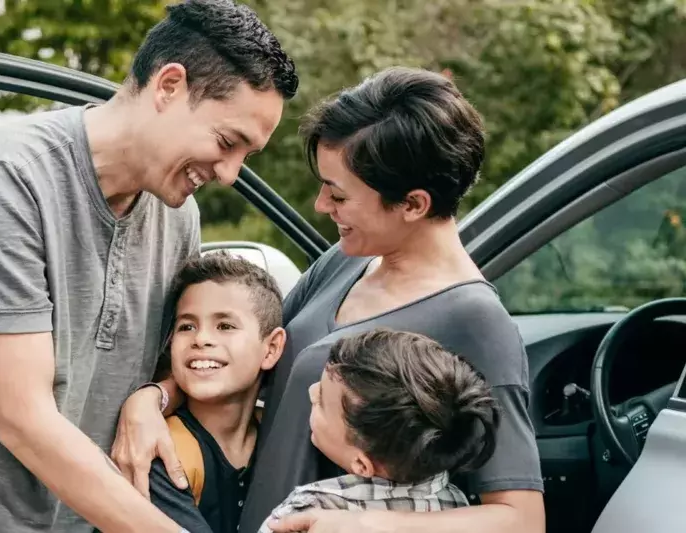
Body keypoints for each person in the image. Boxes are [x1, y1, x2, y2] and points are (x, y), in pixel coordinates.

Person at [0, 1, 297, 532]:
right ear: (168, 87)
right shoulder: (4, 181)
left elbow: (168, 367)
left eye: (247, 154)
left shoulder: (177, 218)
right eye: (226, 142)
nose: (229, 173)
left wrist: (154, 397)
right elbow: (24, 420)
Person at [113, 66, 545, 533]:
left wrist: (364, 525)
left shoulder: (476, 321)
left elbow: (519, 519)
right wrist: (154, 399)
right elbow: (255, 356)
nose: (321, 205)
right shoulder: (345, 260)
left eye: (338, 194)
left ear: (414, 204)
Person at [259, 328, 501, 533]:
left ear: (362, 465)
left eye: (321, 401)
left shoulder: (309, 510)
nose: (312, 392)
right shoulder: (456, 503)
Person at [147, 252, 286, 533]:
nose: (201, 339)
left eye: (225, 326)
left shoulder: (281, 441)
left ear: (270, 348)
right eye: (187, 326)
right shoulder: (165, 454)